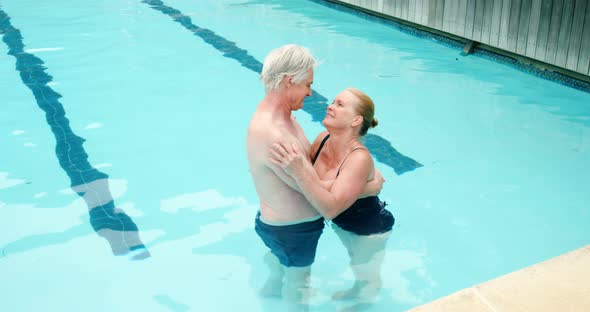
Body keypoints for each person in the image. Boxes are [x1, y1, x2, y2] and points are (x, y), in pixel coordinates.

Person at [247, 46, 382, 311]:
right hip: (293, 231)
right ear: (289, 81)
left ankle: (270, 295)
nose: (310, 92)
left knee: (279, 275)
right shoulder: (275, 134)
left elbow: (308, 174)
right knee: (298, 289)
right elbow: (313, 190)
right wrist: (366, 188)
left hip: (279, 226)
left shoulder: (283, 118)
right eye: (307, 84)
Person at [269, 87, 394, 308]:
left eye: (340, 104)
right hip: (341, 222)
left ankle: (363, 303)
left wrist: (300, 174)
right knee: (355, 263)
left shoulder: (358, 159)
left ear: (356, 121)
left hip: (368, 227)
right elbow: (304, 184)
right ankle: (357, 291)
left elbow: (321, 197)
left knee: (366, 274)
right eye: (333, 101)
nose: (330, 105)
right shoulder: (323, 139)